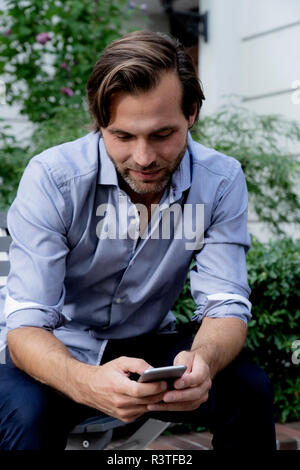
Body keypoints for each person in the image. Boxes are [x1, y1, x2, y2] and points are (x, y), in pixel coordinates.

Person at [0, 30, 276, 450]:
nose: (143, 158)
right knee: (25, 414)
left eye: (162, 134)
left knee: (247, 389)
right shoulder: (53, 178)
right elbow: (26, 326)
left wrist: (202, 361)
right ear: (99, 124)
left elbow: (226, 303)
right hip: (56, 348)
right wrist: (86, 381)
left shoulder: (220, 182)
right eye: (123, 136)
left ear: (192, 113)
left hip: (147, 345)